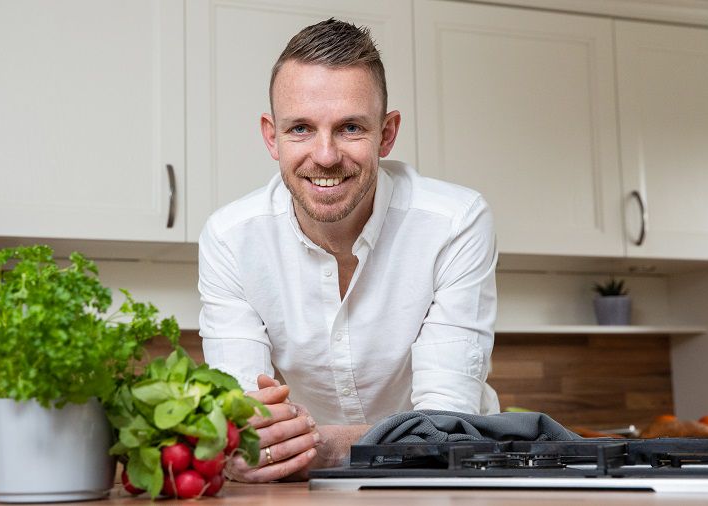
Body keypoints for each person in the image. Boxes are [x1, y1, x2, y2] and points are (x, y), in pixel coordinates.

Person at [198, 18, 499, 482]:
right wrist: (245, 443)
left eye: (350, 127)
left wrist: (316, 446)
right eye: (300, 128)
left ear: (387, 133)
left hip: (437, 483)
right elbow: (242, 421)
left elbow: (445, 427)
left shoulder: (455, 223)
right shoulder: (229, 239)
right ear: (271, 136)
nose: (325, 156)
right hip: (301, 485)